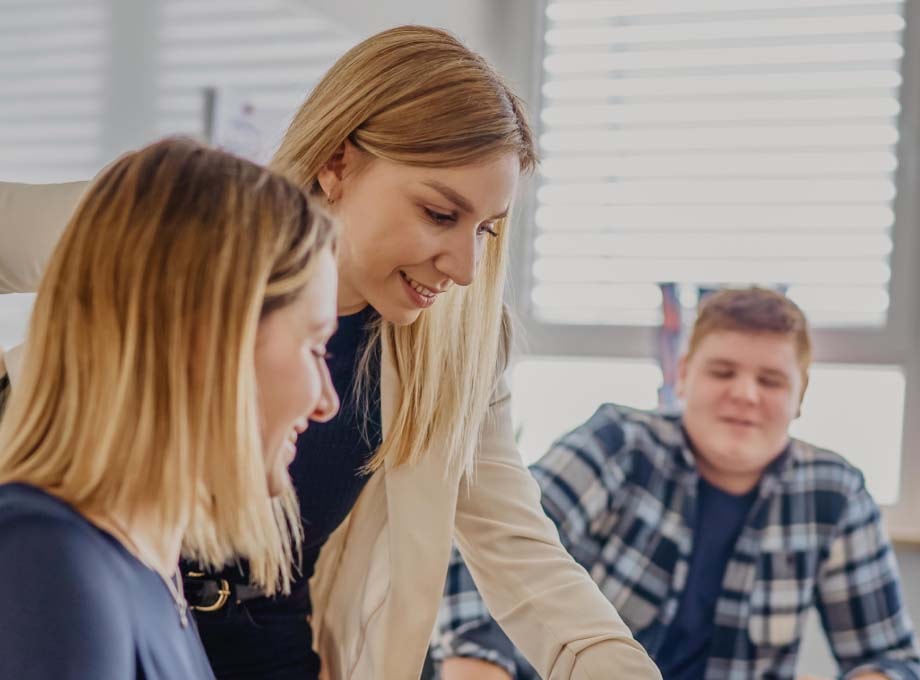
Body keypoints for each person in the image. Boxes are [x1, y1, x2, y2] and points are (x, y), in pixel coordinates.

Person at [0, 26, 661, 680]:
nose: (465, 267)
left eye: (487, 229)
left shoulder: (454, 349)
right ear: (338, 163)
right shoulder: (186, 234)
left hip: (257, 643)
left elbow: (527, 562)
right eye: (439, 214)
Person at [433, 288, 920, 680]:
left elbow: (889, 657)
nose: (745, 394)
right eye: (723, 371)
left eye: (771, 380)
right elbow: (487, 549)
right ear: (683, 375)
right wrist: (478, 667)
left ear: (800, 396)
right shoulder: (617, 443)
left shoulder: (835, 494)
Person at [0, 137, 339, 679]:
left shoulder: (147, 568)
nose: (327, 400)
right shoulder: (49, 566)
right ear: (211, 342)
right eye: (314, 346)